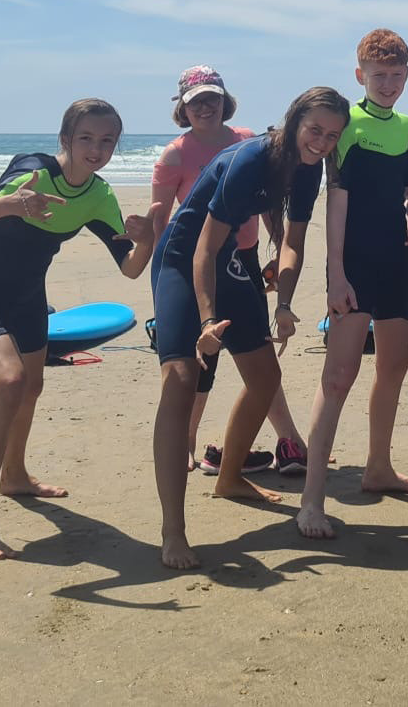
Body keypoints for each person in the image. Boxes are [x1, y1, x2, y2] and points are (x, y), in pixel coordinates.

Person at [0, 99, 159, 561]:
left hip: (27, 299)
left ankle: (15, 475)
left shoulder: (99, 196)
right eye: (86, 138)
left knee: (33, 386)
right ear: (65, 138)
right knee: (10, 381)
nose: (96, 149)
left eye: (107, 141)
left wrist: (148, 239)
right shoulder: (32, 172)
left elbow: (130, 269)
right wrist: (11, 203)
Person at [150, 87, 348, 568]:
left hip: (234, 263)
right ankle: (172, 531)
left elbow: (293, 242)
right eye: (315, 130)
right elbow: (202, 249)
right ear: (294, 120)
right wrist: (204, 321)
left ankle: (230, 477)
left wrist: (283, 303)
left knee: (265, 379)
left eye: (332, 136)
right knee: (181, 382)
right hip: (183, 261)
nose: (322, 142)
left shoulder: (308, 168)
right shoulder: (250, 159)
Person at [298, 30, 408, 539]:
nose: (390, 84)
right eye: (379, 76)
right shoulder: (347, 124)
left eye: (398, 76)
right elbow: (337, 199)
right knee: (338, 376)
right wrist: (335, 273)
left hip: (396, 263)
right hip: (352, 263)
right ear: (360, 75)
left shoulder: (405, 127)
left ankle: (379, 467)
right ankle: (312, 500)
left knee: (395, 365)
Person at [151, 65, 308, 476]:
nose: (206, 107)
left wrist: (275, 250)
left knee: (255, 350)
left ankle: (289, 439)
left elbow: (270, 200)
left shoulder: (246, 139)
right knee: (205, 359)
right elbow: (162, 219)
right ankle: (186, 441)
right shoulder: (176, 154)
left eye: (212, 98)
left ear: (225, 100)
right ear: (183, 108)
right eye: (196, 101)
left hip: (244, 257)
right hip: (194, 258)